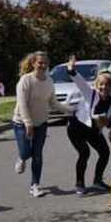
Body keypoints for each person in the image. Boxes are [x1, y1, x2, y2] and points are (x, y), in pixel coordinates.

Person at [13, 52, 74, 198]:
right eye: (40, 63)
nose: (43, 66)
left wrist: (71, 110)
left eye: (45, 63)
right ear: (33, 63)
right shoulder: (25, 80)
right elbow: (22, 104)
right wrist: (28, 123)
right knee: (27, 152)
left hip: (41, 123)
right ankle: (21, 158)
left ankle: (35, 185)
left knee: (37, 155)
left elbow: (53, 102)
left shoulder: (49, 81)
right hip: (21, 122)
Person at [65, 55, 111, 196]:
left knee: (104, 152)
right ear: (96, 85)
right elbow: (78, 80)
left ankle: (98, 180)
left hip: (93, 131)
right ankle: (79, 184)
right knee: (84, 153)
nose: (104, 88)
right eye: (101, 85)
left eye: (107, 85)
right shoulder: (90, 93)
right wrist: (71, 69)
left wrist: (107, 122)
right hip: (77, 128)